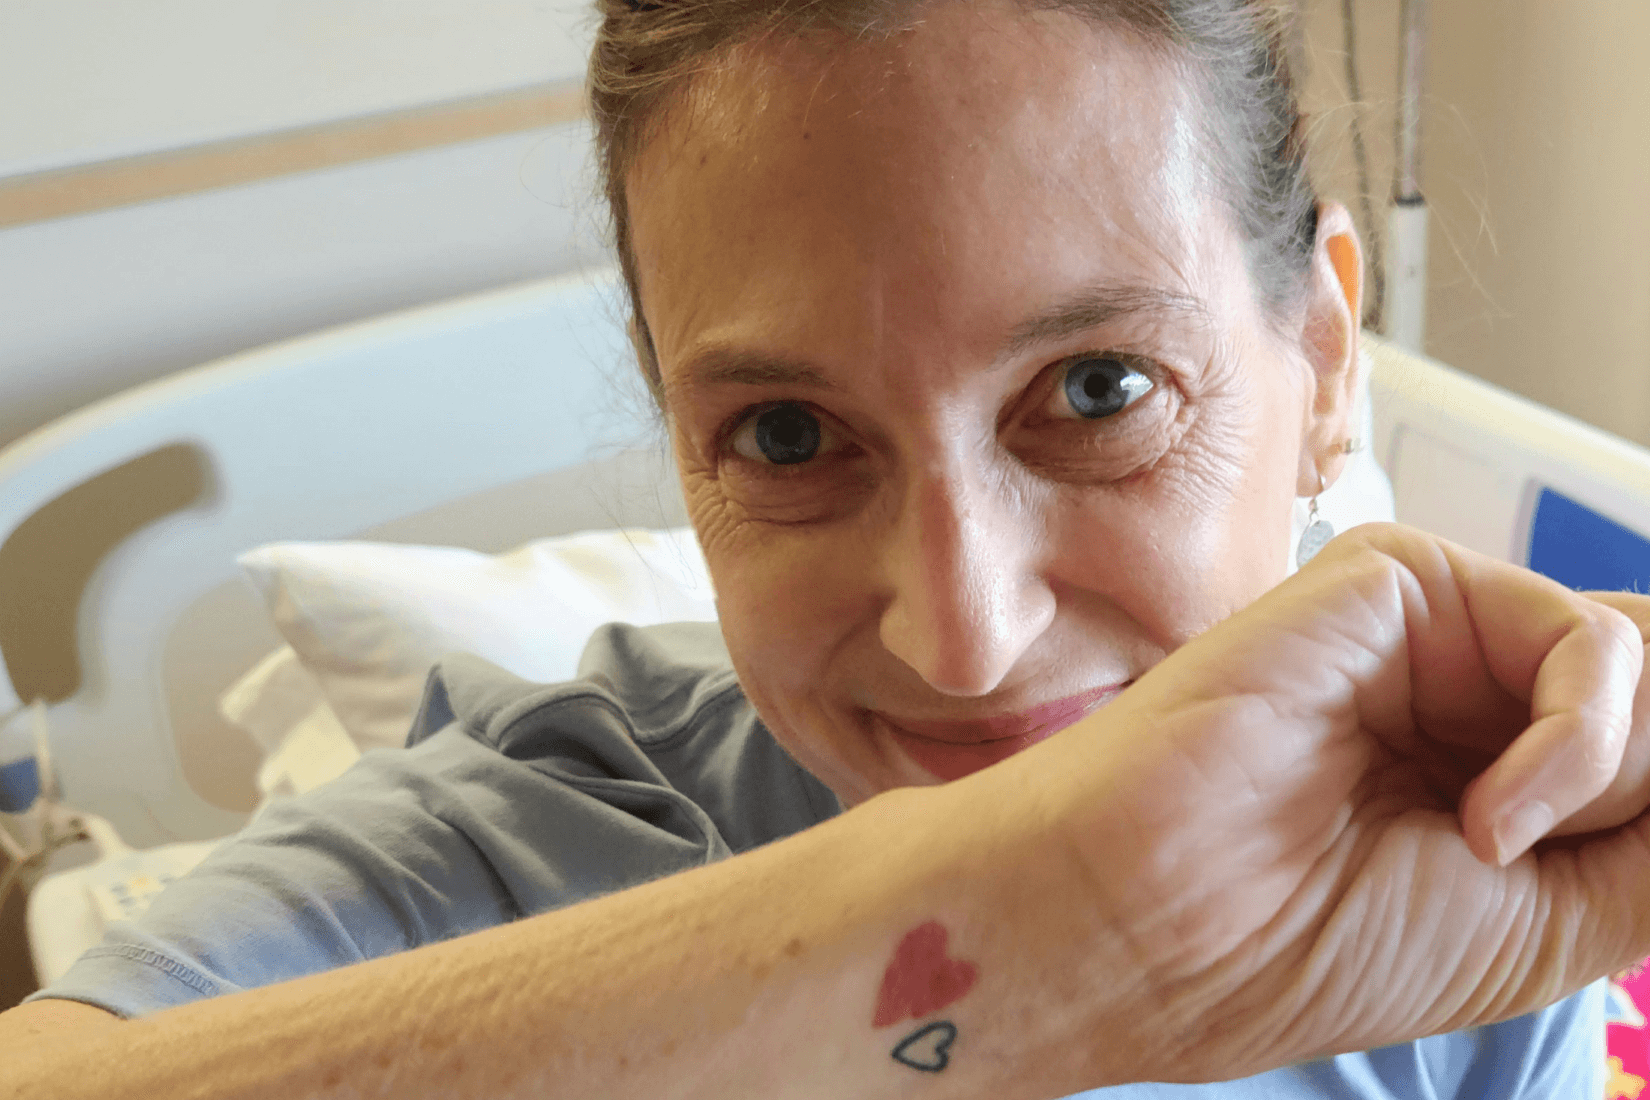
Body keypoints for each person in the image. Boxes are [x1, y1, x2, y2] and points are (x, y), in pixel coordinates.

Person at [5, 0, 1650, 1096]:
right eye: (788, 438)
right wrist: (1028, 922)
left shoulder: (1465, 841)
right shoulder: (517, 849)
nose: (965, 639)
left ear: (1323, 364)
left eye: (1095, 393)